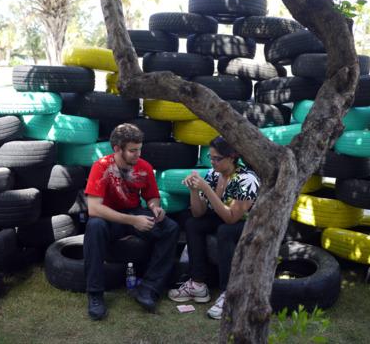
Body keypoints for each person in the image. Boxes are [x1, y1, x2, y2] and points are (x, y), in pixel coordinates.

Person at [84, 123, 179, 320]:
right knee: (94, 226)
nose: (138, 154)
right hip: (109, 216)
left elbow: (152, 197)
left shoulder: (144, 167)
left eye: (139, 149)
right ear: (117, 149)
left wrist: (155, 208)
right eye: (133, 150)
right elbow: (94, 209)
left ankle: (149, 288)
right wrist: (133, 220)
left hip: (134, 211)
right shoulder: (101, 166)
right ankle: (95, 294)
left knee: (170, 228)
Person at [168, 136, 259, 320]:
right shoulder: (213, 174)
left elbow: (232, 218)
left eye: (217, 158)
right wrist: (194, 190)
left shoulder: (245, 179)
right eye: (211, 157)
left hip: (248, 223)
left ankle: (229, 294)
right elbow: (198, 213)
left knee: (225, 231)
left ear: (232, 157)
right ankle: (198, 283)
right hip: (223, 216)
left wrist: (207, 190)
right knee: (193, 224)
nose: (213, 162)